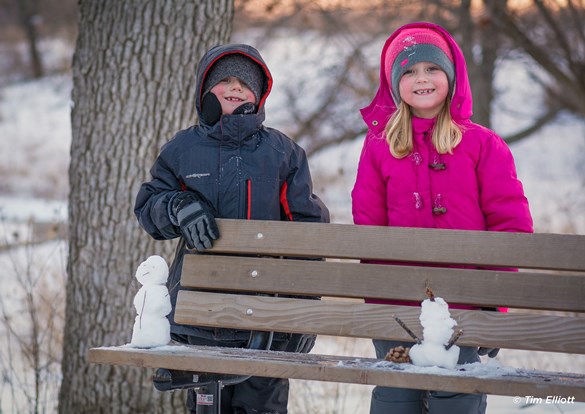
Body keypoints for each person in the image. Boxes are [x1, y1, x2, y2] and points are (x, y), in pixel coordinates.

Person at [134, 43, 329, 414]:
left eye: (244, 82)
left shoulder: (282, 153)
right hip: (199, 317)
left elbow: (309, 232)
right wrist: (179, 205)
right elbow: (149, 205)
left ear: (259, 94)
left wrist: (302, 312)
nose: (235, 86)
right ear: (205, 90)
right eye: (224, 79)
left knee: (263, 406)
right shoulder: (182, 150)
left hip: (268, 321)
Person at [351, 22, 533, 414]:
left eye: (432, 69)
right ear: (394, 82)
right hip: (396, 304)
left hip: (464, 303)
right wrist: (379, 304)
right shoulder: (380, 148)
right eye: (409, 71)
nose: (422, 79)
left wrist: (493, 305)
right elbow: (368, 227)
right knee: (396, 394)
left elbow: (509, 225)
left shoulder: (482, 144)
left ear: (451, 76)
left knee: (458, 394)